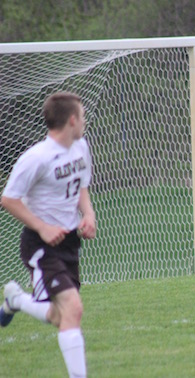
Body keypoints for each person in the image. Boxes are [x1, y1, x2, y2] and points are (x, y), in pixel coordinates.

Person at [0, 92, 96, 378]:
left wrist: (88, 214)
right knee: (73, 309)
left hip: (69, 242)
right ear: (71, 120)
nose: (85, 121)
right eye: (82, 116)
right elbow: (8, 199)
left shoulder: (81, 147)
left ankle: (16, 300)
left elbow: (82, 187)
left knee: (60, 315)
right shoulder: (36, 158)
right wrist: (42, 226)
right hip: (41, 245)